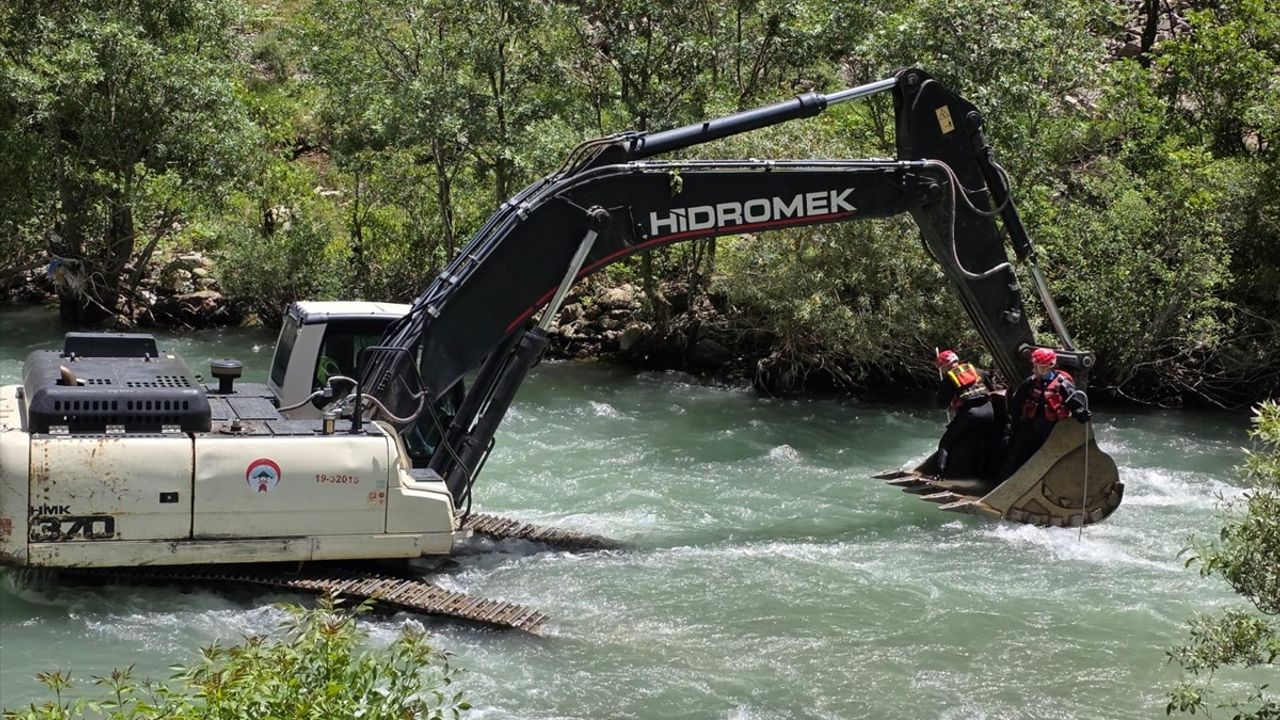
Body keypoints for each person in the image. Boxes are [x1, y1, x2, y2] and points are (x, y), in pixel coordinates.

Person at [999, 347, 1091, 480]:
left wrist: (1080, 412)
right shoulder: (1030, 382)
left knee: (1041, 457)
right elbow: (1016, 403)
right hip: (1029, 426)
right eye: (1034, 366)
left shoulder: (1063, 384)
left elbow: (1075, 404)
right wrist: (1010, 425)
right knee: (1013, 453)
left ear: (1047, 367)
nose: (1034, 370)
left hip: (1050, 429)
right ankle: (1002, 483)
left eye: (1038, 367)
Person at [932, 349, 998, 481]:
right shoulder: (979, 372)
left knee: (946, 443)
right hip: (989, 412)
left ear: (945, 366)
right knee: (984, 444)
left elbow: (941, 404)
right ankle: (984, 477)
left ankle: (939, 475)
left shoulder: (949, 379)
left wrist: (950, 402)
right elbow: (993, 390)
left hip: (969, 415)